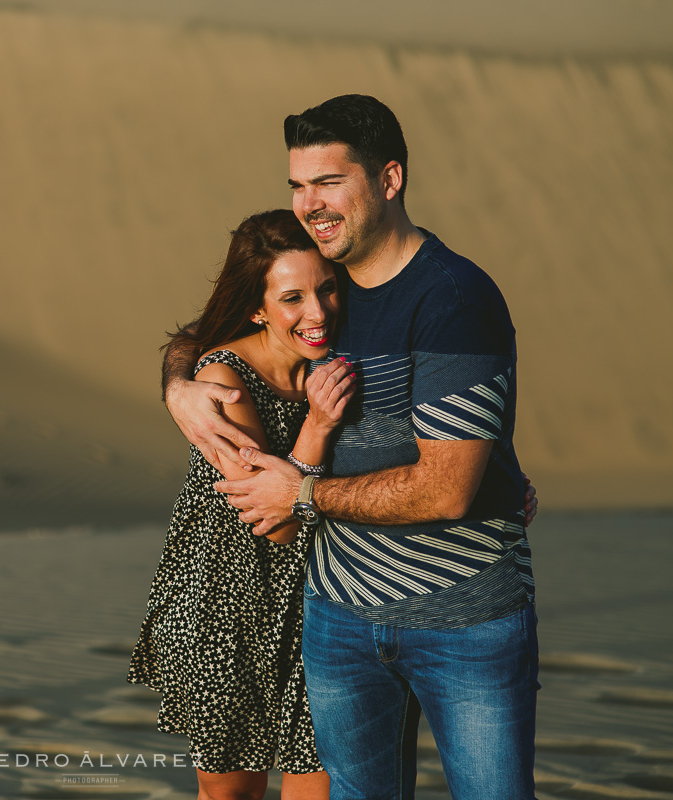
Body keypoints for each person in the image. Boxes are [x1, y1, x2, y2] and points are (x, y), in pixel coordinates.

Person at [164, 94, 539, 799]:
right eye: (298, 186)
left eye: (329, 183)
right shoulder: (329, 285)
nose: (311, 204)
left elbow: (445, 489)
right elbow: (229, 321)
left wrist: (301, 489)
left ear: (389, 180)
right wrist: (179, 383)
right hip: (339, 621)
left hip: (462, 622)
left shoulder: (452, 299)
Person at [129, 209, 356, 800]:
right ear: (258, 308)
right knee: (231, 795)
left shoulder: (329, 359)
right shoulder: (222, 383)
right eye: (292, 298)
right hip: (225, 612)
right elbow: (274, 527)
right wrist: (319, 423)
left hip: (320, 612)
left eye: (326, 288)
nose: (317, 311)